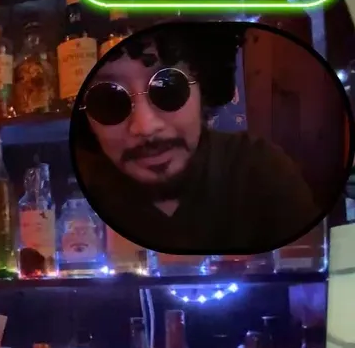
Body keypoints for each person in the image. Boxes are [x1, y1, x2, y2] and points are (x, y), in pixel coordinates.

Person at [73, 23, 318, 254]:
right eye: (108, 101)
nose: (145, 127)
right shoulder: (79, 204)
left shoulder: (261, 171)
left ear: (203, 87)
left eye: (168, 87)